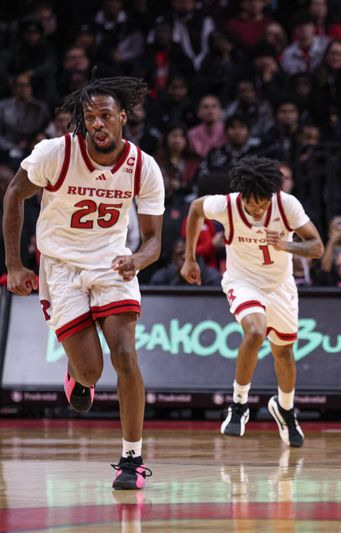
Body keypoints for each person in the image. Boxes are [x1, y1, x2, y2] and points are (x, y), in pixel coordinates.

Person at [2, 76, 166, 489]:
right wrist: (15, 265)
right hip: (60, 266)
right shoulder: (56, 154)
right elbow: (13, 196)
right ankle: (78, 375)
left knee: (125, 355)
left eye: (105, 115)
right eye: (90, 116)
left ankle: (131, 459)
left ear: (122, 118)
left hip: (112, 265)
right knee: (92, 372)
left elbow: (153, 241)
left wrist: (138, 261)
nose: (97, 123)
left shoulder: (144, 167)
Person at [181, 156, 324, 447]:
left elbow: (317, 247)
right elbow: (196, 209)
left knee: (283, 353)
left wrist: (285, 244)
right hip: (242, 282)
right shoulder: (228, 205)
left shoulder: (287, 205)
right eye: (251, 202)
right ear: (242, 194)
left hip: (280, 287)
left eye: (262, 202)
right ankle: (239, 403)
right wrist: (189, 258)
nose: (257, 207)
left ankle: (285, 408)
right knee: (256, 331)